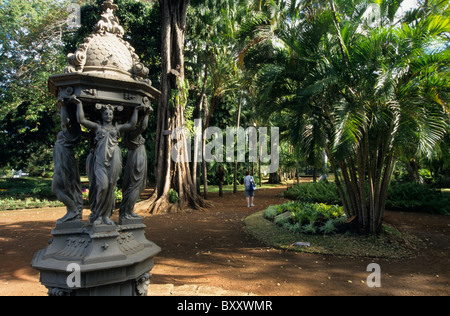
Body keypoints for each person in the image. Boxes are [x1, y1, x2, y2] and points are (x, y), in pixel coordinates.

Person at [74, 96, 141, 226]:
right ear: (102, 115)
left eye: (111, 113)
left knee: (111, 187)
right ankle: (98, 214)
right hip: (100, 159)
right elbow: (81, 120)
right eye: (106, 113)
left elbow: (132, 124)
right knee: (102, 186)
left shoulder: (117, 129)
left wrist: (137, 110)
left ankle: (106, 216)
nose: (109, 115)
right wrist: (79, 104)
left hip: (115, 157)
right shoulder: (97, 127)